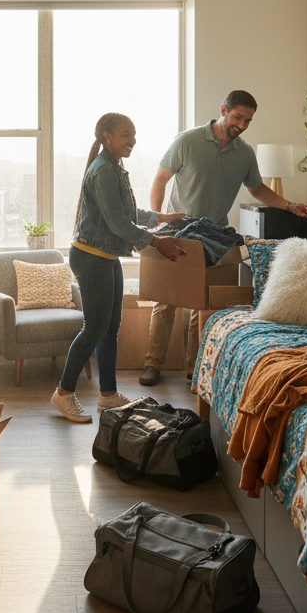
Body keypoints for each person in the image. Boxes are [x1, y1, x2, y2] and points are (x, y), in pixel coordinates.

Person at [139, 89, 307, 387]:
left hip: (213, 237)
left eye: (248, 120)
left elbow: (257, 189)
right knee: (165, 301)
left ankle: (195, 370)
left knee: (201, 304)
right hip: (177, 233)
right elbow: (160, 180)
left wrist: (287, 205)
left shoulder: (244, 152)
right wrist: (156, 221)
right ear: (223, 110)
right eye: (237, 118)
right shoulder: (187, 141)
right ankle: (152, 364)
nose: (242, 125)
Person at [50, 112, 187, 424]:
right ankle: (62, 393)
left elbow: (126, 212)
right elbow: (117, 223)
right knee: (95, 328)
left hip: (107, 257)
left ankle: (107, 395)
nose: (132, 141)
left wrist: (159, 218)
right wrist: (157, 242)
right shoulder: (103, 171)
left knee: (111, 328)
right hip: (90, 257)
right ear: (107, 136)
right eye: (126, 135)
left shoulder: (115, 168)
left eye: (134, 135)